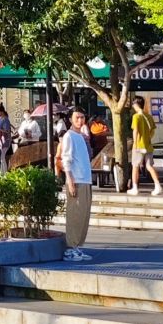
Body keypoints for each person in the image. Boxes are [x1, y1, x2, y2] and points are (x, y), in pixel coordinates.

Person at [60, 107, 93, 261]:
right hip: (76, 179)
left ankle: (78, 246)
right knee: (75, 214)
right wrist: (70, 180)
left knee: (84, 215)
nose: (80, 120)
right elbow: (66, 159)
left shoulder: (81, 136)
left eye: (82, 117)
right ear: (71, 119)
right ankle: (70, 247)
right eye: (77, 117)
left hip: (86, 179)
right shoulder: (69, 136)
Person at [127, 95, 163, 198]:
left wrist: (135, 143)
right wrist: (147, 139)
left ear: (136, 104)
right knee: (149, 166)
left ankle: (134, 188)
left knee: (135, 166)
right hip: (148, 145)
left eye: (133, 104)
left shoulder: (136, 117)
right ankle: (157, 185)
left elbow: (136, 130)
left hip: (139, 145)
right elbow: (152, 131)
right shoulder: (148, 116)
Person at [0, 107, 14, 172]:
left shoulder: (5, 119)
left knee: (2, 157)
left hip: (5, 141)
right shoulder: (1, 119)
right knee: (2, 157)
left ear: (2, 112)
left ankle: (4, 172)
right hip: (3, 140)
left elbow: (7, 131)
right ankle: (3, 171)